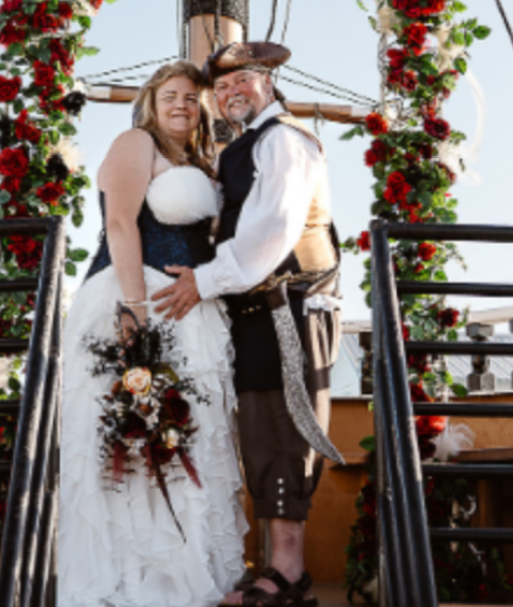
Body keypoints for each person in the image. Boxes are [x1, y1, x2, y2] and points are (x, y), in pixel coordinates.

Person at [155, 42, 342, 607]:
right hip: (257, 309)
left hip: (287, 305)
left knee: (282, 433)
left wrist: (201, 283)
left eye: (244, 81)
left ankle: (288, 573)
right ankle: (275, 566)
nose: (232, 91)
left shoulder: (283, 139)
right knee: (260, 434)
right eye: (223, 86)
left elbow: (272, 231)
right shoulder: (247, 145)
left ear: (268, 83)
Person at [59, 60, 248, 607]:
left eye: (192, 97)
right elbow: (120, 222)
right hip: (132, 295)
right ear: (151, 99)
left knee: (189, 437)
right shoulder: (134, 142)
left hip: (191, 309)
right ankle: (127, 581)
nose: (182, 104)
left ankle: (185, 576)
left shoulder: (202, 162)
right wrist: (133, 309)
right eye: (172, 94)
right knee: (127, 437)